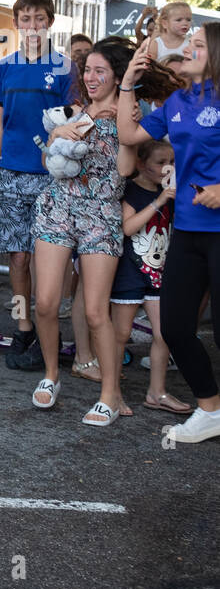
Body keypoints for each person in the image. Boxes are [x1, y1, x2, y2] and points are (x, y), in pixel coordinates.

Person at [118, 23, 220, 443]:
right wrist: (127, 83)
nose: (186, 49)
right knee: (175, 327)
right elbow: (128, 136)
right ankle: (211, 410)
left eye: (196, 44)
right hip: (188, 229)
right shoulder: (178, 100)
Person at [31, 39, 132, 424]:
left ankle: (109, 392)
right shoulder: (75, 111)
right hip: (58, 208)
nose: (90, 77)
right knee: (44, 302)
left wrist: (121, 117)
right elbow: (48, 159)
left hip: (101, 215)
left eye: (99, 71)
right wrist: (58, 136)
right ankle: (51, 375)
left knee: (94, 312)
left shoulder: (129, 113)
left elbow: (125, 170)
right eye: (87, 70)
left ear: (118, 77)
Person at [0, 0, 74, 372]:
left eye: (39, 19)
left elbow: (71, 123)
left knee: (43, 260)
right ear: (17, 23)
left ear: (50, 22)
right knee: (17, 258)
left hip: (50, 179)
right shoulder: (4, 68)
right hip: (9, 175)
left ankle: (45, 324)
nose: (32, 26)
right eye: (25, 19)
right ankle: (23, 326)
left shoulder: (65, 68)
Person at [111, 140, 191, 414]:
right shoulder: (132, 191)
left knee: (163, 333)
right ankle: (113, 394)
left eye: (172, 161)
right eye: (160, 162)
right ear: (142, 165)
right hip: (129, 274)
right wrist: (158, 202)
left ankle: (156, 393)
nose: (168, 167)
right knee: (120, 335)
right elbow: (127, 227)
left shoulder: (169, 191)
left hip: (158, 275)